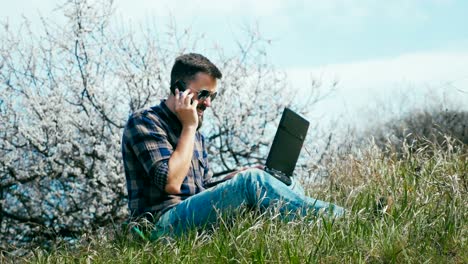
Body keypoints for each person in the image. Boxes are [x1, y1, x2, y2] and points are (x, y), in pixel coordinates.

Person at [121, 53, 344, 239]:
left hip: (191, 215)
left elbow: (201, 188)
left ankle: (317, 232)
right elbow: (171, 183)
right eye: (203, 94)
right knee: (252, 183)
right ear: (178, 89)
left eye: (213, 96)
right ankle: (343, 220)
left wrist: (235, 177)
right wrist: (189, 127)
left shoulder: (195, 133)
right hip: (161, 226)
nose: (208, 103)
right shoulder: (145, 122)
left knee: (280, 180)